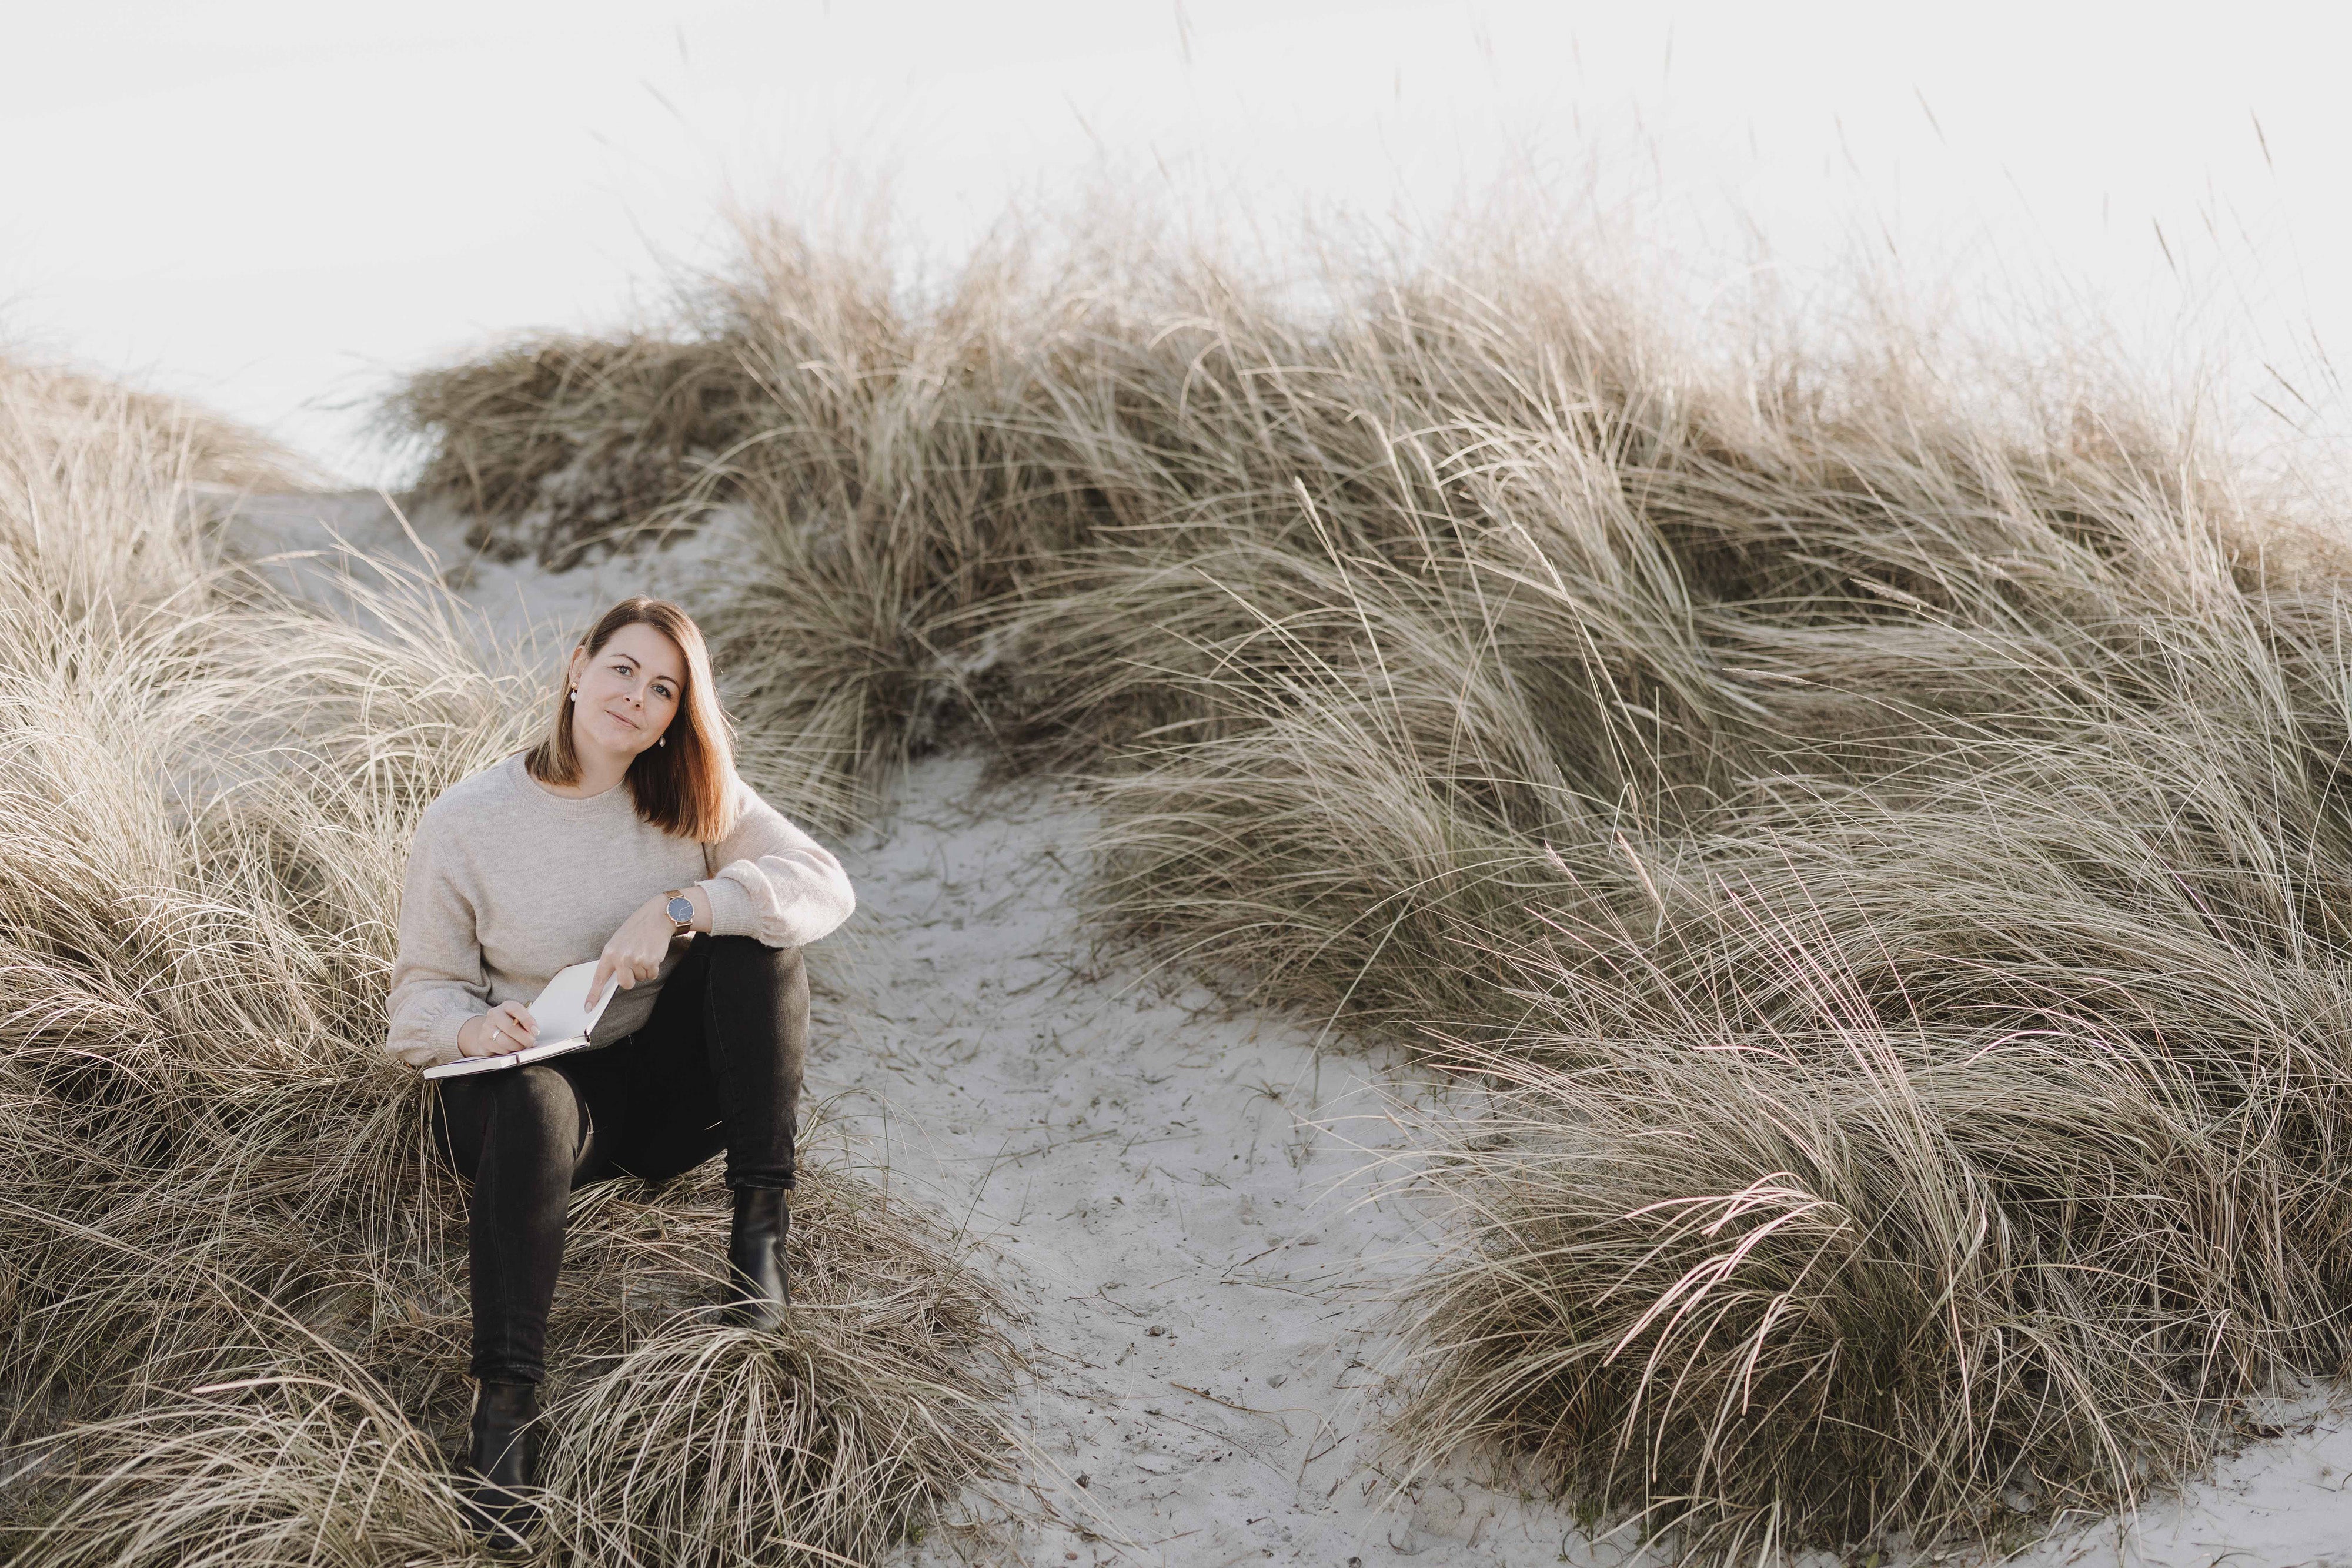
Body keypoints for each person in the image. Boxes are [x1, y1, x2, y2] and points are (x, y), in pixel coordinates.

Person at [384, 597, 855, 1544]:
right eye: (623, 670)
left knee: (757, 944)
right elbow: (418, 999)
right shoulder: (469, 820)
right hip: (529, 1100)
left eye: (664, 689)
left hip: (660, 1102)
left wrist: (683, 905)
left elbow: (822, 885)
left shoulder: (695, 799)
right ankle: (504, 1414)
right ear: (577, 667)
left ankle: (759, 1237)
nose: (637, 698)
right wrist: (473, 1031)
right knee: (533, 1098)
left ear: (678, 715)